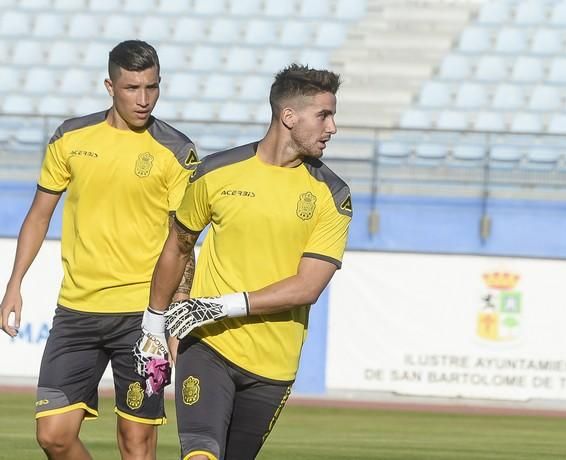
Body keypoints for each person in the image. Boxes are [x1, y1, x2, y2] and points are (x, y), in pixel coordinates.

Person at [139, 63, 352, 460]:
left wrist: (219, 305)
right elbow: (178, 245)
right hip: (207, 346)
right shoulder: (216, 172)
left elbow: (308, 287)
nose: (332, 128)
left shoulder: (333, 195)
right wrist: (155, 322)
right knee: (200, 454)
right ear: (289, 116)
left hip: (273, 366)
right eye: (324, 115)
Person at [0, 40, 198, 460]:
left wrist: (176, 308)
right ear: (110, 86)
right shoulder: (70, 137)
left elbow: (182, 240)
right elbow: (38, 216)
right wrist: (14, 284)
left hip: (144, 320)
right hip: (75, 313)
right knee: (53, 435)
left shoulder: (177, 151)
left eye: (152, 87)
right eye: (132, 88)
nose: (143, 100)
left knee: (136, 444)